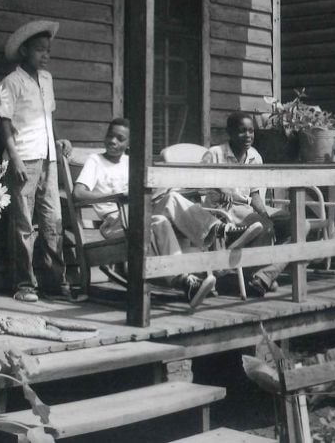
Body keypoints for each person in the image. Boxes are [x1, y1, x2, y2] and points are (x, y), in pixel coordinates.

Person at [73, 118, 218, 309]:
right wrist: (117, 195)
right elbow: (78, 193)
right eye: (110, 136)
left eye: (120, 138)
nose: (113, 142)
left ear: (128, 143)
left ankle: (216, 230)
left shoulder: (130, 161)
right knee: (158, 221)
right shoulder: (95, 161)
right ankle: (185, 279)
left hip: (139, 215)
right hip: (116, 222)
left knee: (171, 198)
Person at [0, 19, 73, 303]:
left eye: (48, 50)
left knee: (53, 220)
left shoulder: (47, 79)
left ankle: (55, 281)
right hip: (24, 159)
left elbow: (47, 118)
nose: (45, 55)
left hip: (48, 160)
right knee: (23, 224)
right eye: (40, 50)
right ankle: (24, 284)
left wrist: (59, 140)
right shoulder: (11, 82)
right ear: (24, 50)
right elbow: (3, 124)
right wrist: (14, 159)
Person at [203, 111, 292, 296]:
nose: (248, 136)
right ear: (230, 132)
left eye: (251, 131)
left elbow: (255, 192)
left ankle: (264, 276)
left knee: (299, 225)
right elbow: (199, 184)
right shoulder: (214, 154)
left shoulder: (254, 156)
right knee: (264, 226)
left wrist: (263, 212)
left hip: (250, 206)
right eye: (242, 131)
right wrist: (220, 188)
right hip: (224, 210)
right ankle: (257, 278)